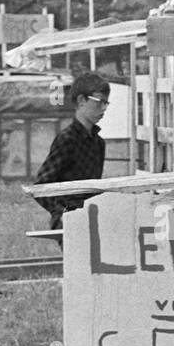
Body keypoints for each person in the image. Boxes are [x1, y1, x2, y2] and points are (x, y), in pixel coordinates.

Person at [34, 72, 110, 232]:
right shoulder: (67, 139)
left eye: (106, 103)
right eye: (99, 102)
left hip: (93, 218)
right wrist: (61, 213)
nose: (104, 108)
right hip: (68, 223)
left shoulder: (99, 144)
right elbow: (41, 185)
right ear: (81, 100)